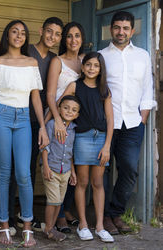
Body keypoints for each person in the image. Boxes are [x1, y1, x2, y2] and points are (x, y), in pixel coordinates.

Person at [0, 17, 63, 234]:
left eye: (22, 33)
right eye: (14, 32)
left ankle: (25, 222)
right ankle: (6, 223)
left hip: (28, 119)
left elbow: (39, 96)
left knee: (24, 172)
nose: (18, 36)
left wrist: (42, 126)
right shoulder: (8, 56)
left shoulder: (42, 61)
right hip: (4, 114)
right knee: (5, 172)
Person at [99, 11, 157, 235]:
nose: (121, 32)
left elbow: (147, 87)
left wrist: (142, 117)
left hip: (133, 123)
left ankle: (115, 212)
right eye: (117, 27)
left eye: (125, 28)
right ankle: (104, 216)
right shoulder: (101, 56)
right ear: (111, 29)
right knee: (102, 170)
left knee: (130, 170)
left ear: (132, 31)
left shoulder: (142, 55)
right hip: (106, 124)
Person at [59, 52, 114, 242]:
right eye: (88, 65)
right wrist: (59, 124)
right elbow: (61, 105)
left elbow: (110, 119)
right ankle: (83, 224)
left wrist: (107, 146)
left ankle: (99, 226)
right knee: (81, 182)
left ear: (100, 69)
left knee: (98, 183)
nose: (91, 68)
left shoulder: (104, 89)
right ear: (82, 68)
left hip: (101, 139)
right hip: (82, 138)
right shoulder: (75, 86)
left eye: (96, 66)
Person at [46, 21, 85, 232]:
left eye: (77, 35)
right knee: (57, 165)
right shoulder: (57, 61)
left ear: (82, 39)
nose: (73, 40)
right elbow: (51, 95)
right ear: (64, 40)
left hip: (77, 121)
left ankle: (66, 209)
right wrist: (58, 121)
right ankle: (59, 215)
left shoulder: (86, 61)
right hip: (58, 119)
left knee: (74, 167)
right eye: (69, 36)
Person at [42, 95, 79, 241]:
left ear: (77, 115)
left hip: (66, 171)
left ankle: (52, 227)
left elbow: (70, 153)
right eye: (66, 107)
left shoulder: (74, 130)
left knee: (59, 202)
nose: (69, 111)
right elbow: (45, 147)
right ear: (58, 109)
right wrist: (45, 166)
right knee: (53, 201)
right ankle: (48, 229)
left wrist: (73, 172)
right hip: (52, 168)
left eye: (74, 110)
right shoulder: (51, 125)